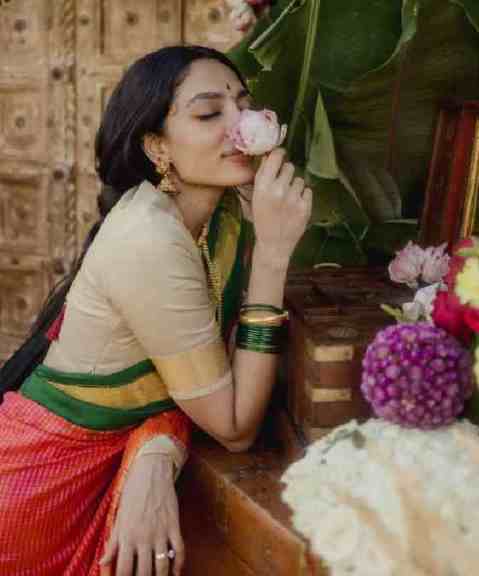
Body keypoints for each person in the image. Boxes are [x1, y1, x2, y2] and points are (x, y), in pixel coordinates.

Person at [0, 45, 312, 576]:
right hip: (38, 493)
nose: (240, 124)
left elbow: (210, 375)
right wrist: (275, 255)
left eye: (244, 103)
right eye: (210, 113)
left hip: (91, 467)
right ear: (157, 146)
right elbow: (234, 426)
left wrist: (155, 447)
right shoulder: (150, 238)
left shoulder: (223, 218)